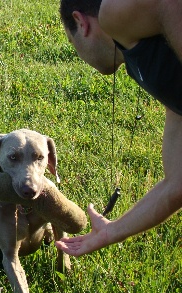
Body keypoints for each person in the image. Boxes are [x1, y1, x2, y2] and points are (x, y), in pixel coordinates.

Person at [54, 0, 182, 257]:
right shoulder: (151, 67)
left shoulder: (112, 14)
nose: (79, 55)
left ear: (81, 22)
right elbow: (176, 185)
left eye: (72, 43)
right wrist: (112, 230)